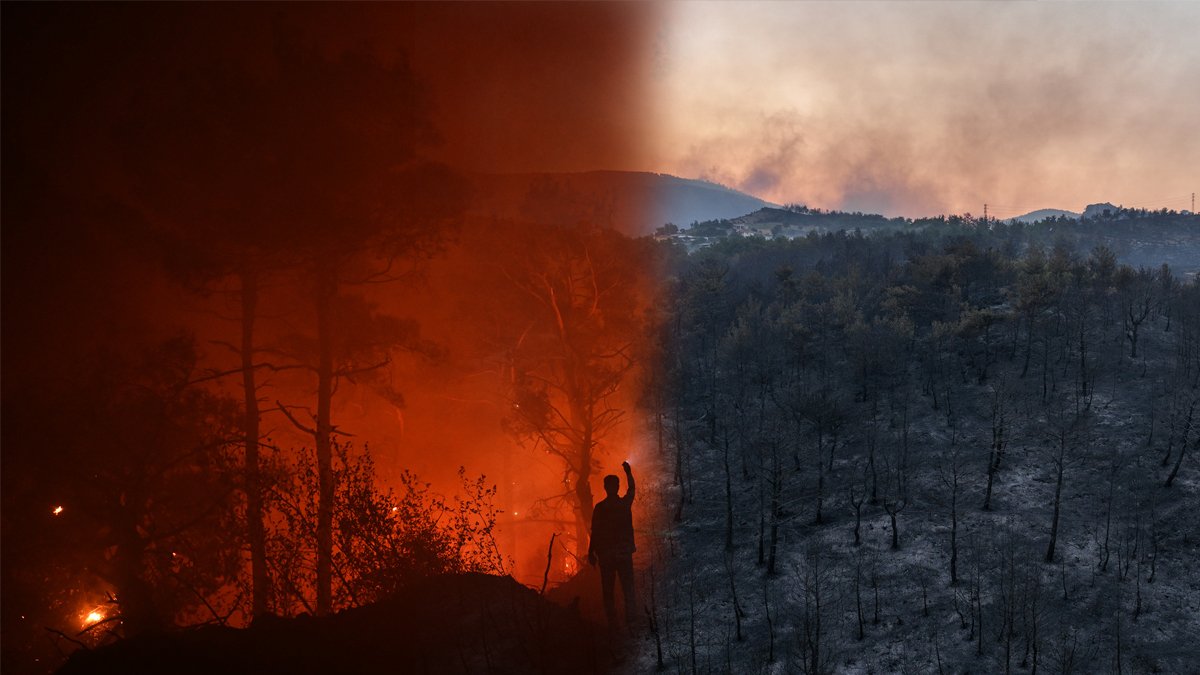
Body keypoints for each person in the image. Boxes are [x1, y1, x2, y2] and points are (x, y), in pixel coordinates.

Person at [587, 461, 637, 633]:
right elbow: (632, 490)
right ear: (612, 487)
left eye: (612, 485)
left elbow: (595, 531)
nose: (612, 488)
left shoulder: (601, 508)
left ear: (606, 488)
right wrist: (628, 473)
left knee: (610, 592)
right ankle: (628, 623)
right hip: (620, 554)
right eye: (612, 485)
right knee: (626, 590)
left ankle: (615, 625)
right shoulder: (622, 505)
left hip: (609, 555)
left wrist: (591, 552)